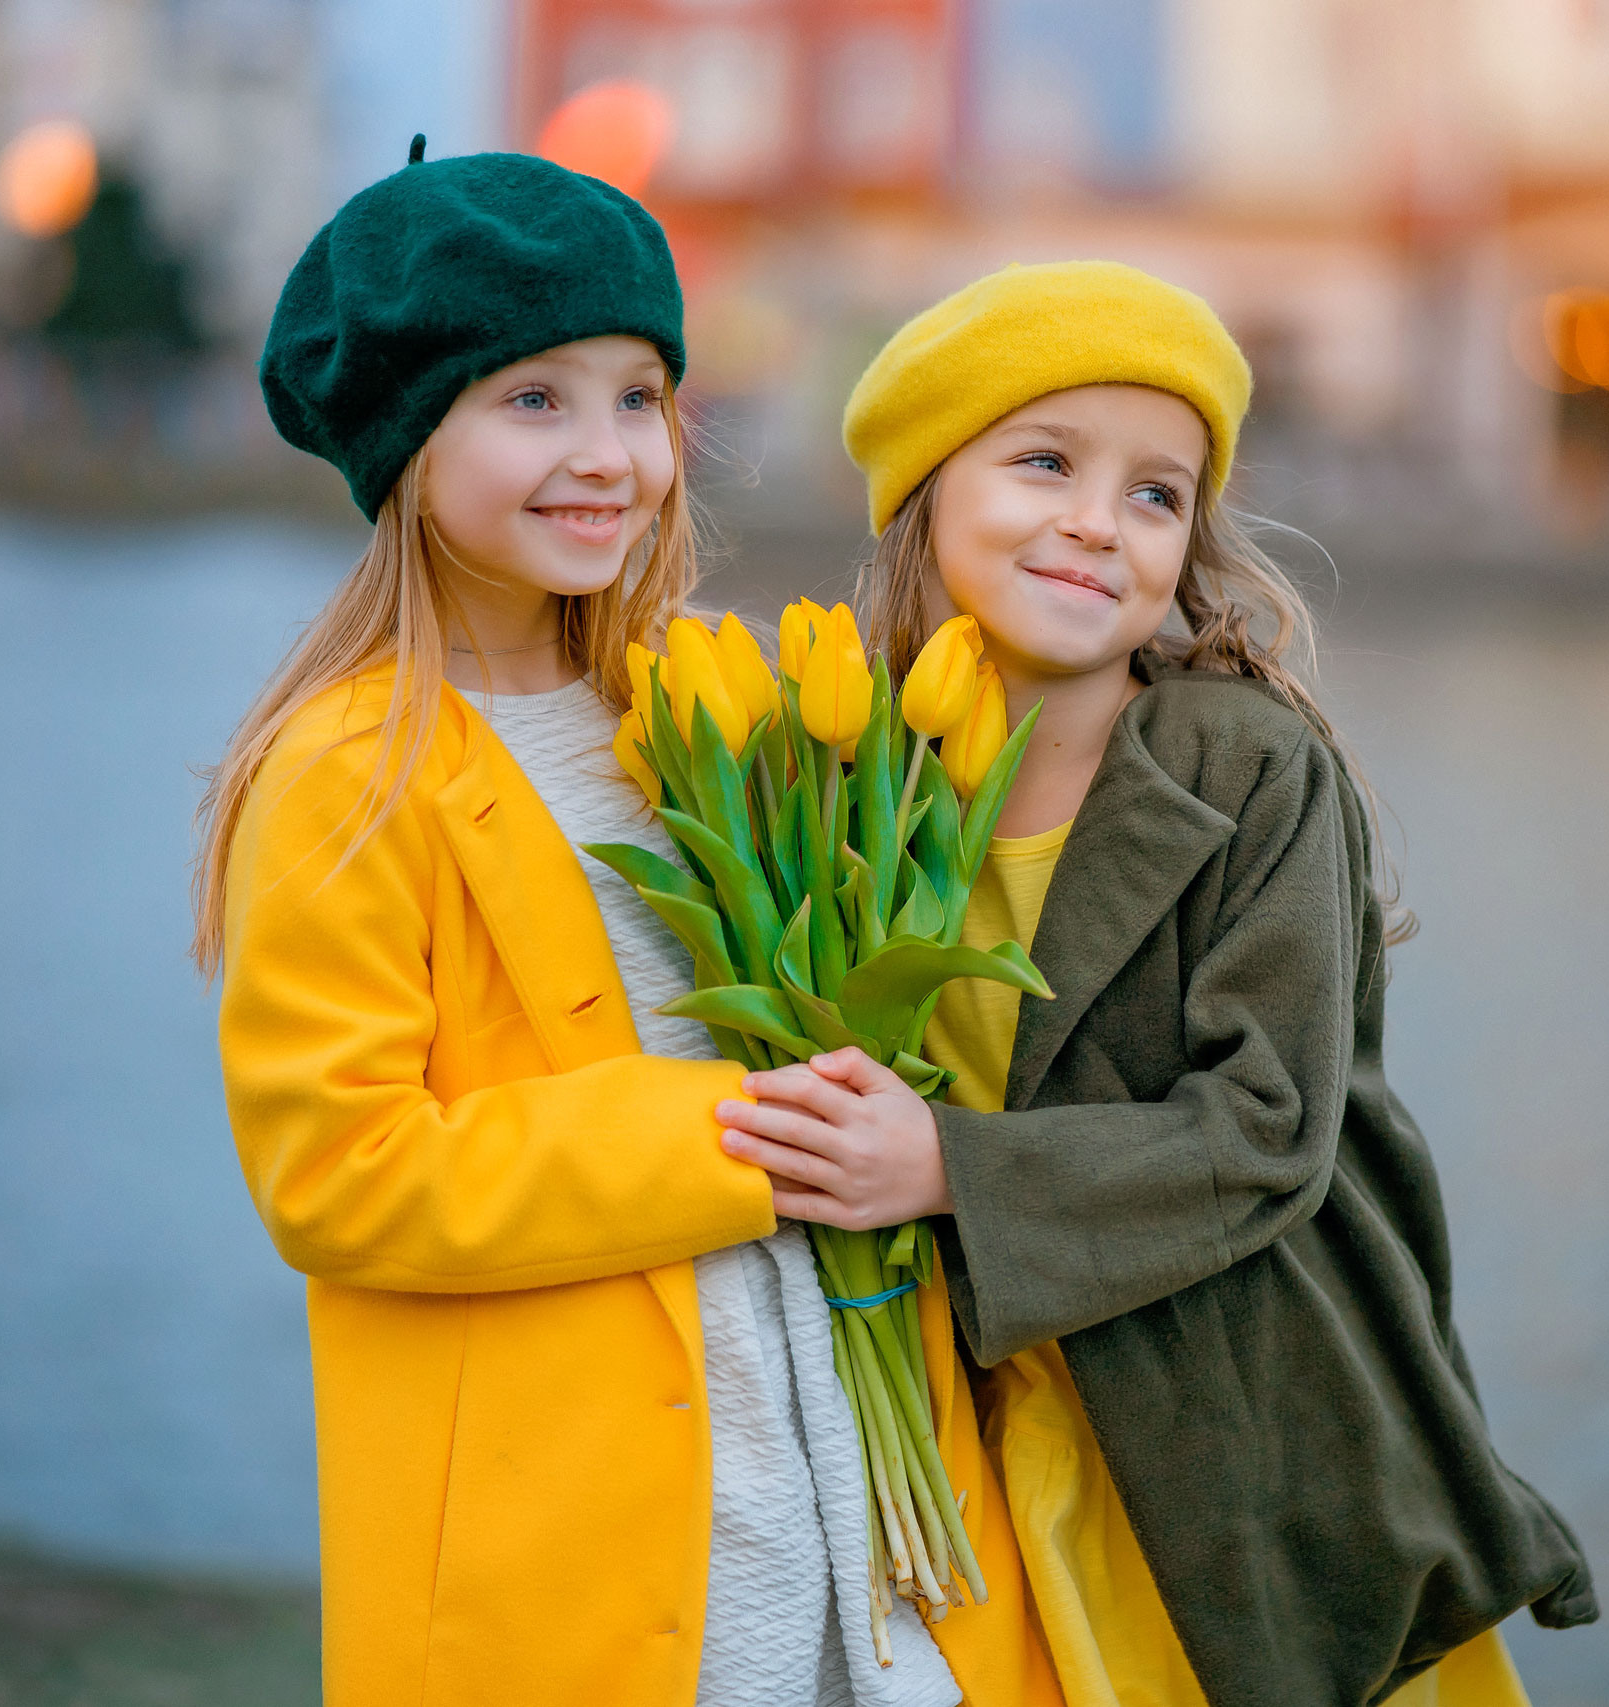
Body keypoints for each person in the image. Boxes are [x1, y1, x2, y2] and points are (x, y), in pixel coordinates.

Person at [194, 147, 1055, 1707]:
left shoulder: (683, 704)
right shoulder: (348, 770)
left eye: (640, 397)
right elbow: (340, 1174)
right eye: (533, 400)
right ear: (404, 433)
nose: (609, 456)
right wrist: (741, 1137)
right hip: (578, 1503)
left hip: (826, 1413)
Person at [714, 261, 1598, 1707]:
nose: (1095, 521)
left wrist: (947, 1167)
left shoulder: (1247, 767)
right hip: (965, 1418)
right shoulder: (836, 771)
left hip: (1233, 1432)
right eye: (1045, 460)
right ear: (921, 492)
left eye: (1155, 494)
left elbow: (1268, 1132)